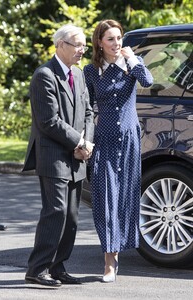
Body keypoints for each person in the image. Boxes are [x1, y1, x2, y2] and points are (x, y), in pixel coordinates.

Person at [23, 24, 94, 287]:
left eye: (84, 45)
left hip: (77, 155)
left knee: (72, 216)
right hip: (53, 155)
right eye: (77, 44)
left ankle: (58, 266)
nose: (82, 50)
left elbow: (88, 111)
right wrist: (79, 140)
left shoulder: (79, 74)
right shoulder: (44, 75)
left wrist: (87, 142)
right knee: (56, 211)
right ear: (60, 45)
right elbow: (48, 121)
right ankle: (36, 269)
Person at [83, 19, 153, 283]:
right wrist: (86, 140)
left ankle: (117, 253)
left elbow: (148, 81)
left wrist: (133, 59)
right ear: (99, 43)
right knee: (104, 197)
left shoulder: (133, 66)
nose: (116, 44)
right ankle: (108, 263)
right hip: (104, 139)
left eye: (119, 38)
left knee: (124, 196)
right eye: (110, 39)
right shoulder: (91, 71)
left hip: (130, 140)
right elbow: (88, 110)